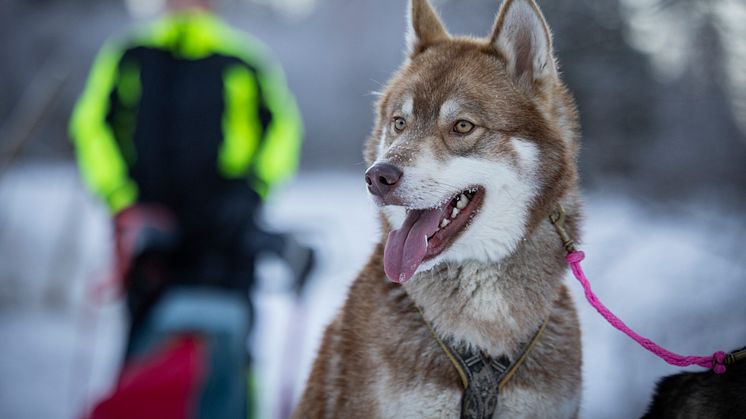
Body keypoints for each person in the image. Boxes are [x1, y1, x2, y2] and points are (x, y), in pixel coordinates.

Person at [69, 0, 313, 417]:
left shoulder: (245, 57)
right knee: (144, 346)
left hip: (228, 231)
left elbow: (283, 130)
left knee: (235, 348)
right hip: (151, 233)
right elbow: (92, 126)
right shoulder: (130, 53)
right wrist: (122, 200)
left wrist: (253, 191)